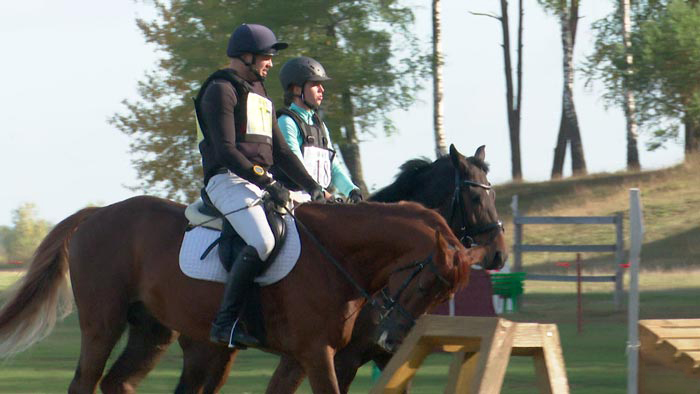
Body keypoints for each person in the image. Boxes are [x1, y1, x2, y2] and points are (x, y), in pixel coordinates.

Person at [194, 24, 324, 348]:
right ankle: (224, 323)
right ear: (247, 56)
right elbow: (225, 150)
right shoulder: (220, 90)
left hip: (256, 181)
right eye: (266, 57)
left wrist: (312, 186)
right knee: (263, 241)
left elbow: (281, 151)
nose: (270, 63)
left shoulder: (260, 94)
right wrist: (267, 182)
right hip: (226, 180)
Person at [277, 56, 363, 202]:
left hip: (317, 197)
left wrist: (352, 191)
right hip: (292, 198)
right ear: (296, 88)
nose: (322, 89)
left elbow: (332, 166)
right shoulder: (286, 122)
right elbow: (297, 168)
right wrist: (327, 196)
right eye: (315, 84)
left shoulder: (319, 125)